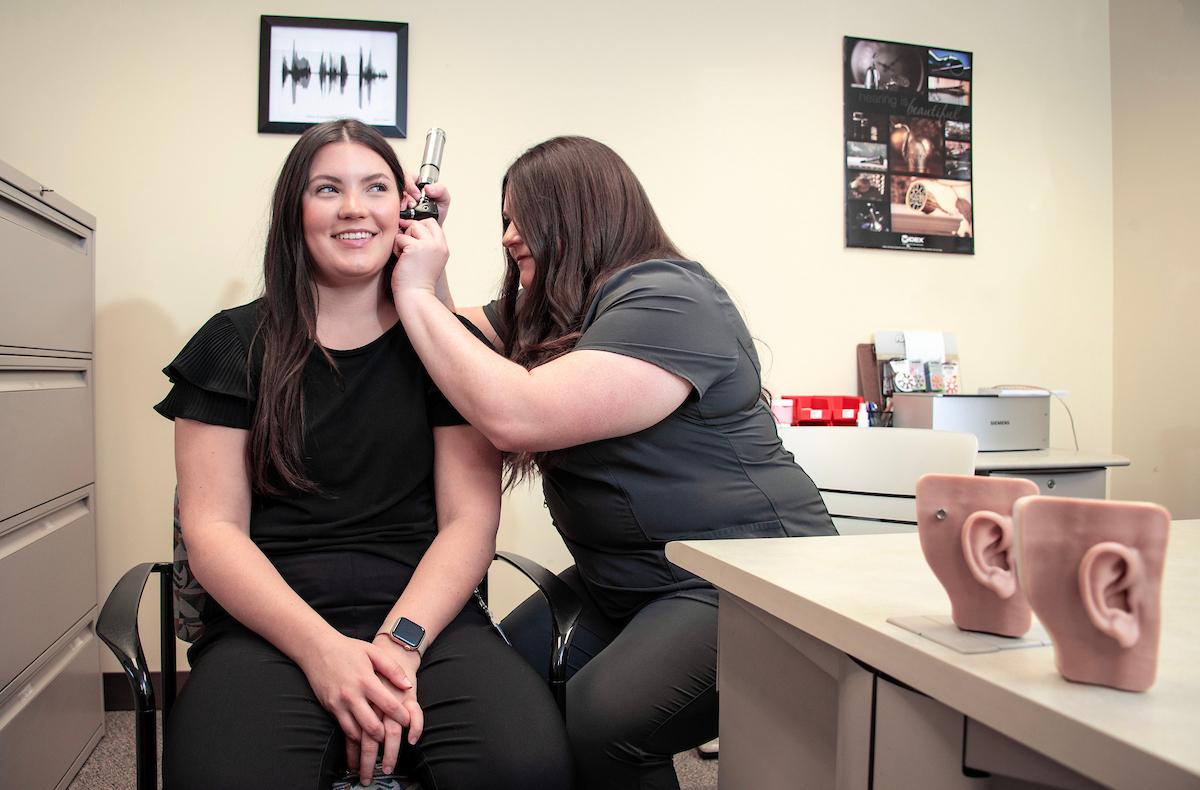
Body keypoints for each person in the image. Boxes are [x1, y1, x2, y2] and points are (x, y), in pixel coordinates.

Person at [390, 135, 837, 790]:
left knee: (605, 721)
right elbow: (456, 340)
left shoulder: (670, 299)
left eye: (524, 217)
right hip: (626, 583)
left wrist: (413, 288)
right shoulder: (562, 311)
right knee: (491, 684)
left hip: (744, 582)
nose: (511, 236)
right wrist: (428, 245)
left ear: (579, 212)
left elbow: (517, 412)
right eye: (505, 219)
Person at [153, 120, 571, 790]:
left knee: (525, 768)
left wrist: (397, 648)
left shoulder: (447, 348)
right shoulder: (231, 347)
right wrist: (324, 652)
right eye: (328, 189)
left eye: (376, 187)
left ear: (404, 212)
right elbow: (212, 531)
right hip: (272, 625)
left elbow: (470, 523)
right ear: (296, 212)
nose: (354, 207)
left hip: (423, 623)